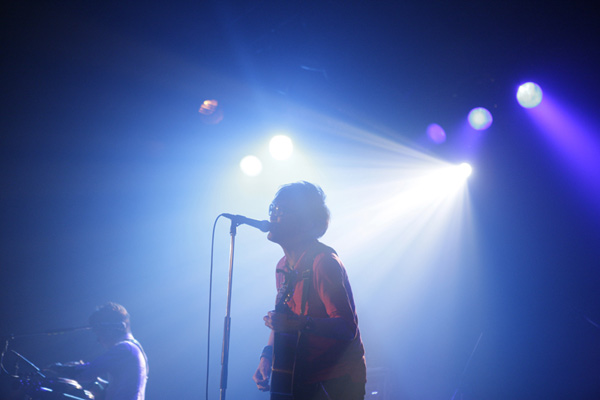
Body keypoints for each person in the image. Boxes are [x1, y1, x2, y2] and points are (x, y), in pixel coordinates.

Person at [252, 182, 366, 400]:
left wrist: (297, 323)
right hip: (302, 373)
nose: (273, 215)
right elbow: (283, 320)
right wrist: (266, 356)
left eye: (281, 211)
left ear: (306, 223)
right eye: (272, 209)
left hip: (338, 379)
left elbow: (347, 328)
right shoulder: (282, 266)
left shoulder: (324, 262)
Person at [50, 302, 148, 400]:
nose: (99, 339)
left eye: (101, 333)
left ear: (117, 327)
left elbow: (85, 373)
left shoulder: (124, 348)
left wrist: (57, 368)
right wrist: (97, 381)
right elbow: (123, 387)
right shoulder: (135, 348)